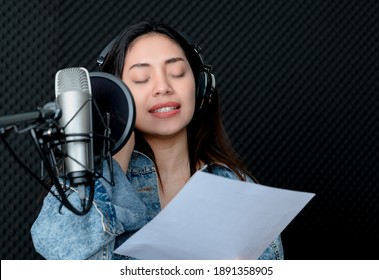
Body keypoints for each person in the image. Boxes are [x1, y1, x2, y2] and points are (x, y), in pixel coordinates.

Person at [30, 21, 284, 260]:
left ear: (200, 86)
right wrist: (112, 167)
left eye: (176, 72)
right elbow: (65, 258)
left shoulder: (236, 186)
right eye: (141, 79)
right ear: (114, 95)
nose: (163, 87)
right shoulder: (83, 187)